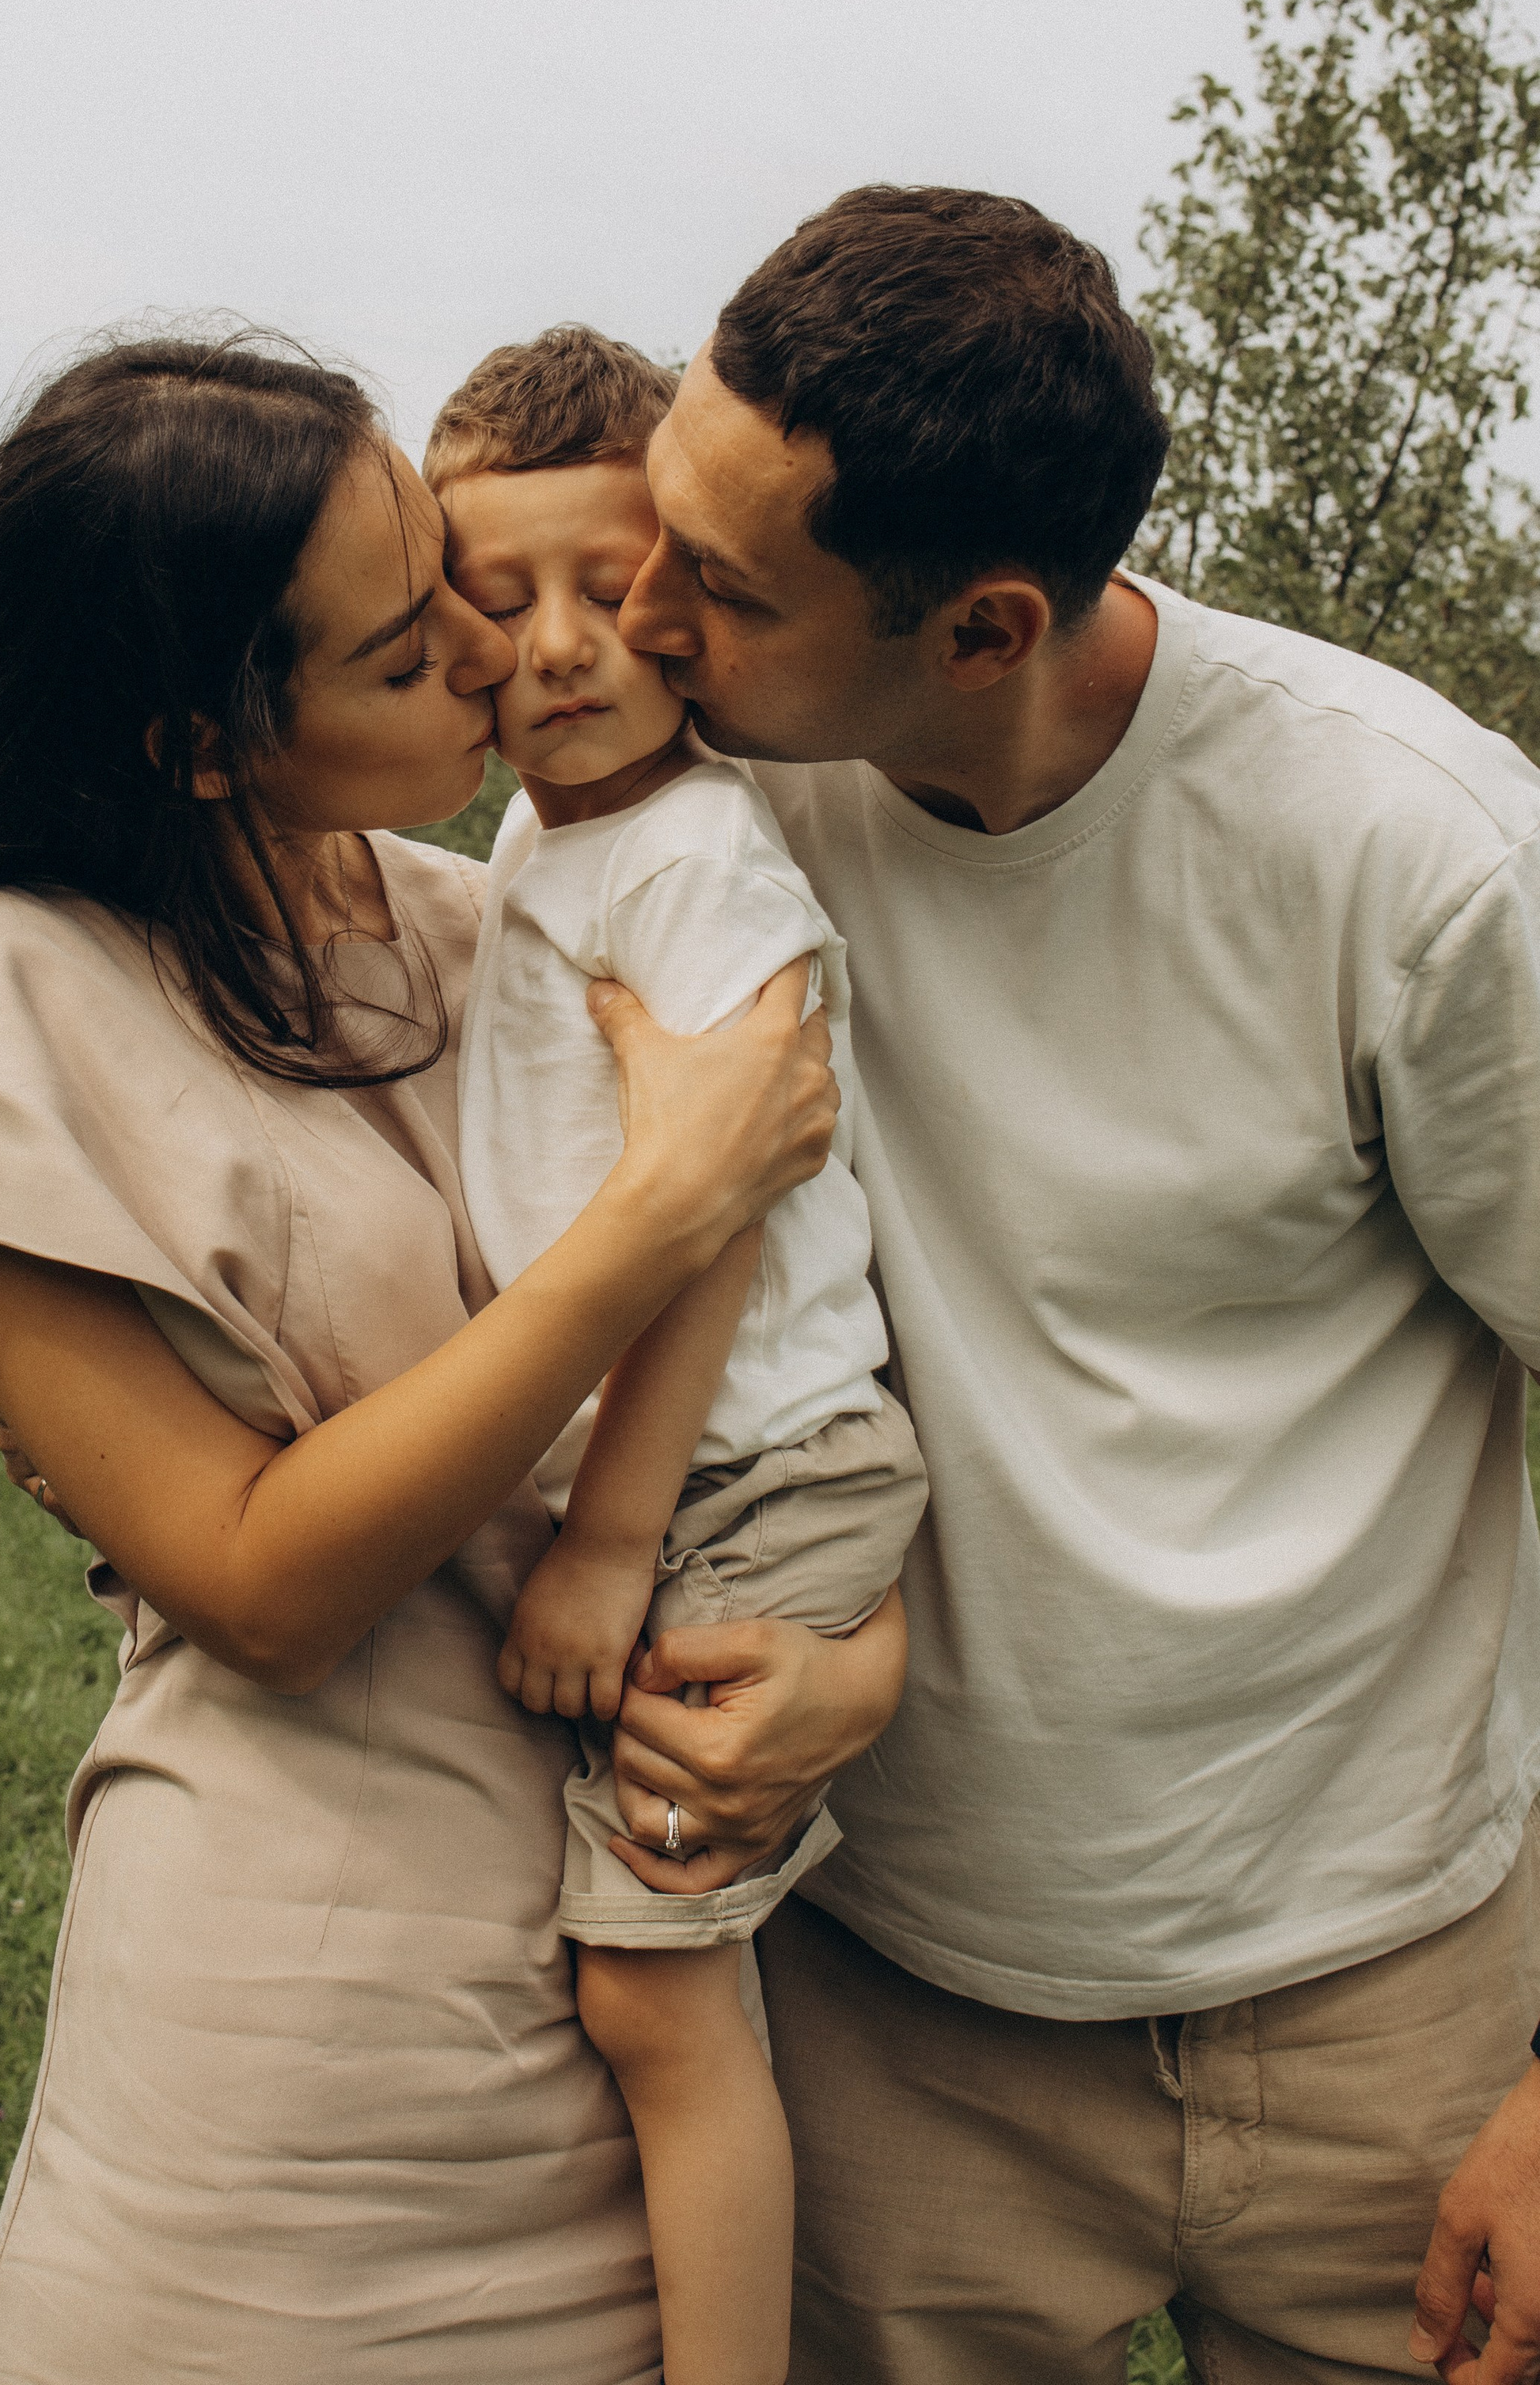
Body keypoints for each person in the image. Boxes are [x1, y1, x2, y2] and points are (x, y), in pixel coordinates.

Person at [0, 328, 887, 2384]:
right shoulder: (12, 1004)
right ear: (204, 742)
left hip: (626, 1988)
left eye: (460, 591)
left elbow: (805, 1347)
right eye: (416, 651)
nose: (497, 668)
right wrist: (655, 1213)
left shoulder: (500, 918)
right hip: (290, 2087)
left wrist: (858, 1665)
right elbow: (265, 1584)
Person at [601, 184, 1540, 2385]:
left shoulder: (1418, 858)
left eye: (720, 586)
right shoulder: (703, 822)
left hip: (1386, 2007)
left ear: (989, 630)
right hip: (892, 2010)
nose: (640, 619)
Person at [425, 329, 929, 2385]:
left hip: (746, 1476)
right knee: (636, 1981)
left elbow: (711, 1211)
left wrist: (608, 1542)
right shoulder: (547, 843)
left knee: (654, 1993)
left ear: (688, 594)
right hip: (669, 1462)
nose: (559, 647)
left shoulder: (702, 857)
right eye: (494, 593)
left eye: (610, 584)